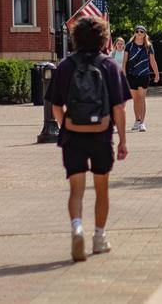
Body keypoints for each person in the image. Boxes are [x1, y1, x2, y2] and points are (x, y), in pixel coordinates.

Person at [47, 17, 129, 262]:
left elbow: (55, 107)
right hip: (102, 135)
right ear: (103, 39)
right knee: (101, 188)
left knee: (76, 190)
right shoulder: (109, 66)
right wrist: (123, 140)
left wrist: (66, 127)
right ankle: (100, 238)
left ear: (76, 38)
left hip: (73, 136)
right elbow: (119, 108)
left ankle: (77, 228)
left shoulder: (65, 66)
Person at [123, 26, 159, 132]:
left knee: (142, 98)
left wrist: (157, 74)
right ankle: (137, 120)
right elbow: (125, 61)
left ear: (144, 34)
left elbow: (152, 61)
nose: (139, 33)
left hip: (144, 74)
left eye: (141, 31)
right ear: (134, 33)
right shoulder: (129, 45)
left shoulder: (148, 46)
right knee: (136, 99)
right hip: (131, 74)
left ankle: (142, 123)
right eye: (137, 31)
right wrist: (124, 72)